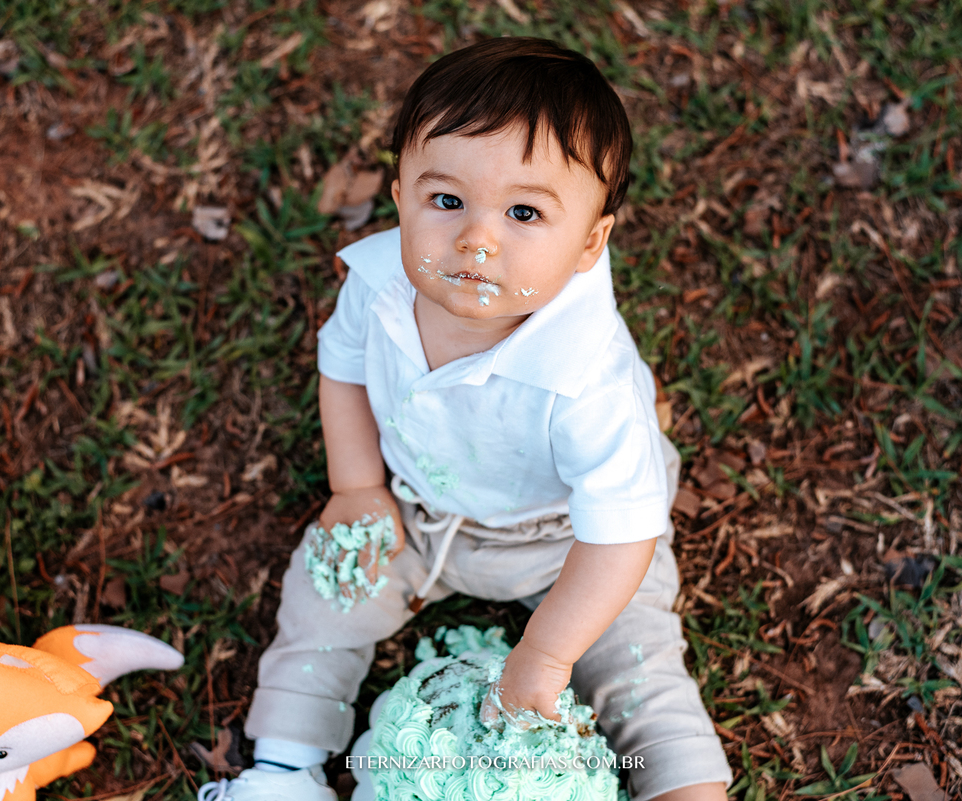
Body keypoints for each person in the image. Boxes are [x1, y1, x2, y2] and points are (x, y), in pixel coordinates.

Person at [198, 37, 731, 801]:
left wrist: (545, 656)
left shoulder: (585, 377)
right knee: (326, 589)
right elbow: (342, 367)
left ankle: (682, 786)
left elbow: (620, 536)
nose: (477, 238)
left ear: (590, 242)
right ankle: (285, 763)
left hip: (566, 541)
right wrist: (355, 486)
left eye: (523, 212)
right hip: (416, 512)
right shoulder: (380, 285)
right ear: (398, 196)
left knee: (637, 664)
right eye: (446, 201)